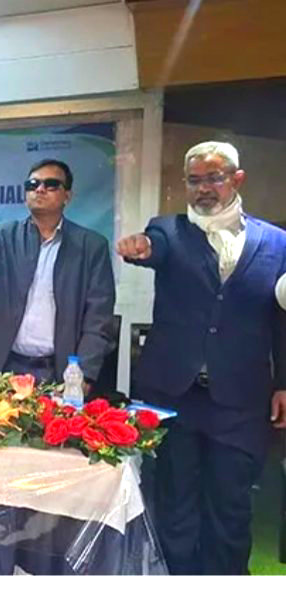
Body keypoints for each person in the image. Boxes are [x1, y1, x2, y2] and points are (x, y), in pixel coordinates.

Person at [117, 141, 286, 575]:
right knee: (174, 508)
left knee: (231, 510)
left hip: (240, 401)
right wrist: (140, 246)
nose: (203, 189)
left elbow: (281, 320)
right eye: (194, 180)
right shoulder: (168, 231)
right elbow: (153, 247)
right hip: (174, 397)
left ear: (237, 179)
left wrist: (284, 383)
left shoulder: (277, 243)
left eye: (214, 178)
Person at [0, 159, 115, 388]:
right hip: (2, 367)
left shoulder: (91, 246)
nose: (40, 189)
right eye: (32, 184)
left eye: (51, 184)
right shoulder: (7, 234)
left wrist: (84, 373)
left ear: (67, 196)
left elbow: (98, 319)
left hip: (61, 371)